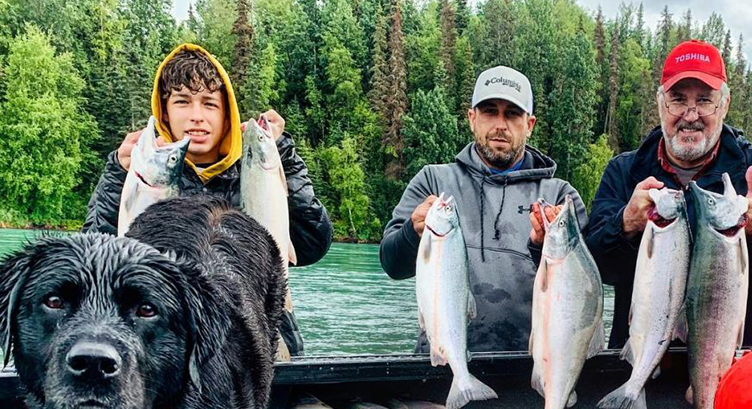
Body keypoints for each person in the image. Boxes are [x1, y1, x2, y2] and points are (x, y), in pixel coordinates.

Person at [83, 44, 333, 356]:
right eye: (183, 102)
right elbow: (95, 259)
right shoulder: (142, 173)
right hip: (163, 353)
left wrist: (283, 155)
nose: (197, 116)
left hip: (259, 353)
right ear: (165, 112)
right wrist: (117, 174)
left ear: (227, 114)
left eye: (210, 104)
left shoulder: (257, 171)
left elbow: (313, 243)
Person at [585, 39, 752, 348]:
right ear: (660, 103)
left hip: (731, 364)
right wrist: (624, 224)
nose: (690, 115)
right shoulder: (624, 172)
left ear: (724, 105)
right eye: (678, 100)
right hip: (638, 363)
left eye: (704, 101)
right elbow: (597, 270)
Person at [380, 66, 587, 353]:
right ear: (472, 118)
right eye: (490, 111)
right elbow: (393, 266)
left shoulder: (560, 197)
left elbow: (580, 292)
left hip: (527, 372)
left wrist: (543, 248)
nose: (500, 124)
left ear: (529, 124)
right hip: (439, 365)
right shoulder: (433, 181)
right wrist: (412, 233)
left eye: (512, 114)